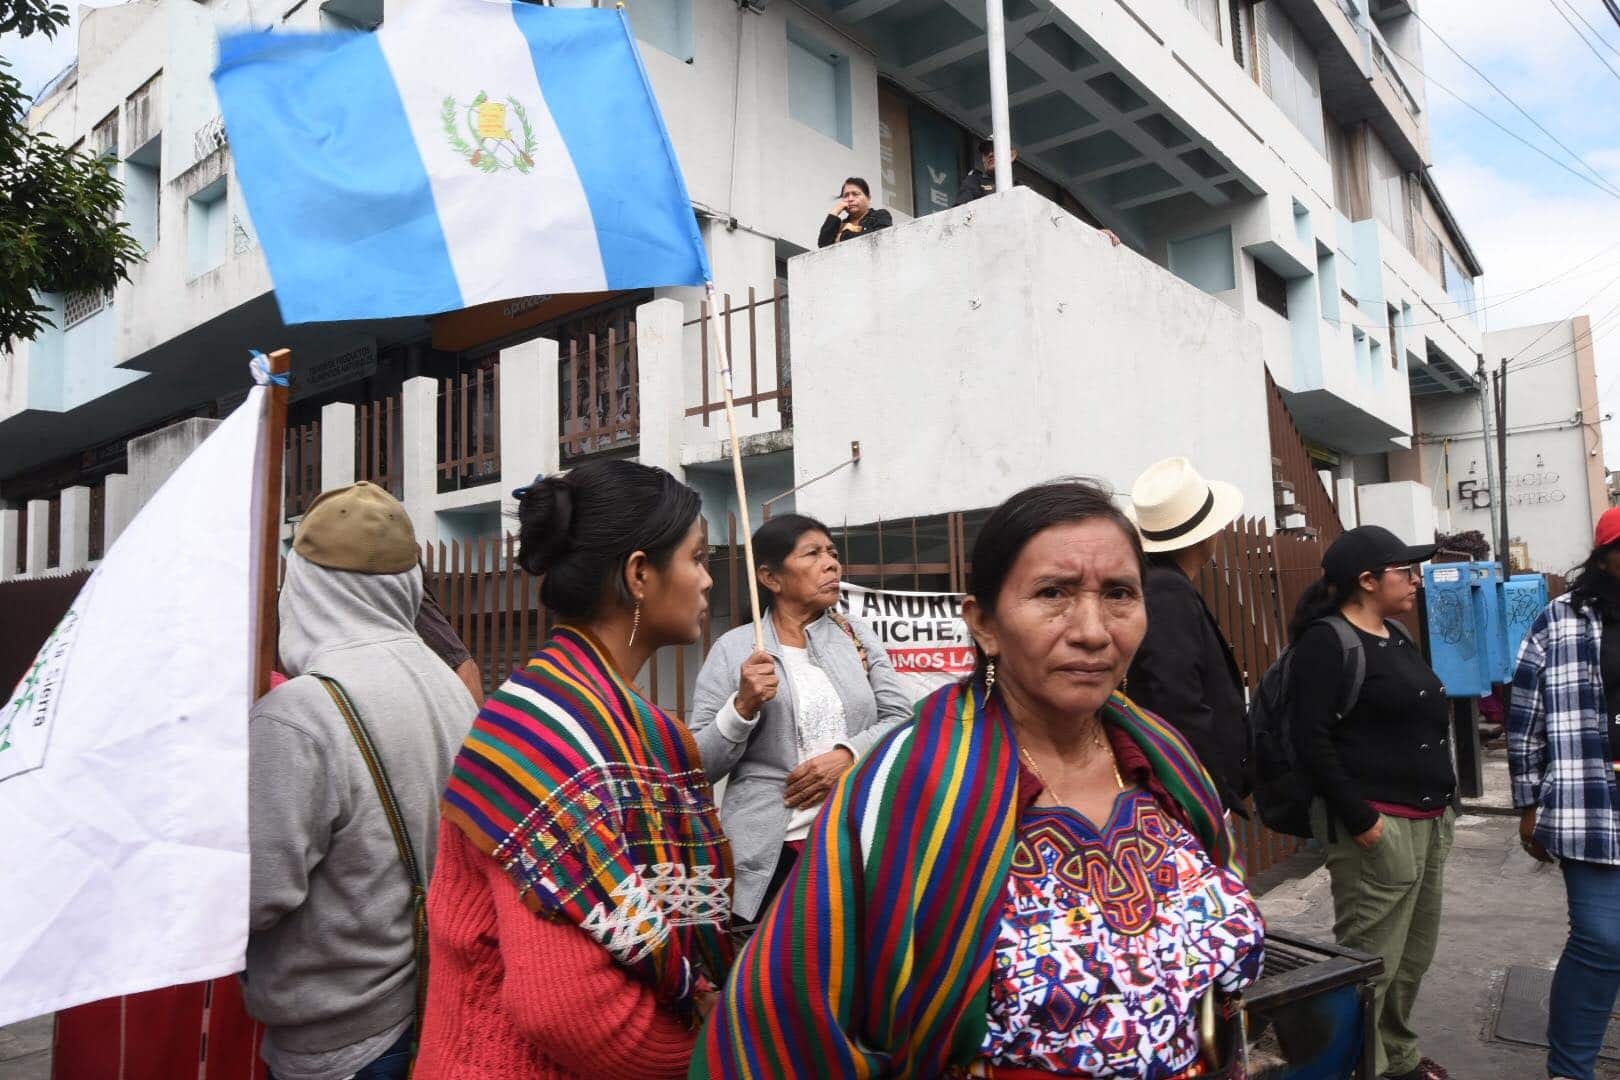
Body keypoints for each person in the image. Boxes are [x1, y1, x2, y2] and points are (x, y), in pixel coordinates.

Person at [693, 480, 1263, 1078]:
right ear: (983, 624)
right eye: (1053, 593)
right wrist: (743, 706)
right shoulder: (909, 791)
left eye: (1120, 593)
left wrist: (843, 750)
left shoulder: (1166, 759)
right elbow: (787, 1021)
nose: (1094, 630)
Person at [416, 459, 733, 1079]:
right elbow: (566, 1009)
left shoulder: (631, 726)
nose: (707, 582)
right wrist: (714, 1056)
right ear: (640, 574)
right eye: (698, 558)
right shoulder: (538, 734)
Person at [246, 482, 477, 1080]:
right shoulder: (450, 683)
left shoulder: (300, 711)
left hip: (341, 1041)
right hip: (436, 1011)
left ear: (304, 584)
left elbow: (252, 896)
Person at [688, 514, 912, 926]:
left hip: (853, 843)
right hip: (769, 857)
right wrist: (742, 709)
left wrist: (849, 755)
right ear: (771, 578)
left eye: (832, 553)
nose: (832, 564)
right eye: (813, 554)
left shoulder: (857, 636)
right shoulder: (735, 648)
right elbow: (699, 765)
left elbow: (901, 719)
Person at [1286, 525, 1451, 1080]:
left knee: (1411, 958)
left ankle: (1396, 1056)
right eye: (1404, 571)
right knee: (1370, 962)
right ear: (1366, 580)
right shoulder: (1327, 642)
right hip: (1378, 827)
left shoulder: (1395, 633)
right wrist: (1363, 820)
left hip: (1428, 819)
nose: (1415, 580)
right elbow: (1310, 739)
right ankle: (1362, 1068)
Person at [1510, 507, 1620, 1080]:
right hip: (1590, 806)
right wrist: (1528, 804)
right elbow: (1525, 714)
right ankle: (1571, 1068)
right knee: (1603, 940)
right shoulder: (1560, 619)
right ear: (1604, 557)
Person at [1126, 456, 1250, 812]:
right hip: (1190, 793)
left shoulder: (1159, 584)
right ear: (1206, 536)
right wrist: (1211, 791)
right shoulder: (1167, 591)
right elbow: (1178, 699)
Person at [955, 138, 1123, 247]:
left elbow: (1053, 218)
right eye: (985, 151)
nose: (990, 153)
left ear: (1012, 155)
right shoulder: (974, 181)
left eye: (995, 148)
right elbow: (959, 215)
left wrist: (1094, 232)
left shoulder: (1022, 189)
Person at [817, 177, 892, 247]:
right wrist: (835, 212)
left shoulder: (880, 215)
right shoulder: (840, 225)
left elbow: (881, 237)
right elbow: (823, 245)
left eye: (855, 194)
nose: (850, 199)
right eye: (846, 195)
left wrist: (843, 236)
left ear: (868, 198)